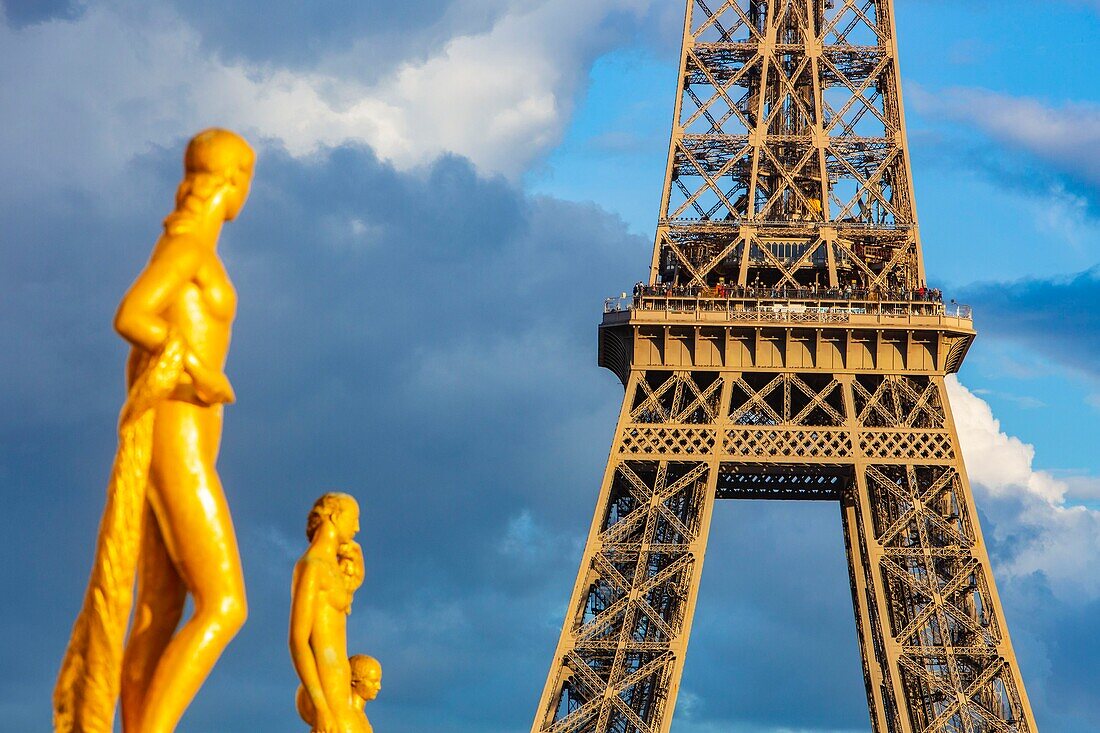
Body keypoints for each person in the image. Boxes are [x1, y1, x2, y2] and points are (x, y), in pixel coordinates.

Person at [55, 129, 255, 733]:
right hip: (179, 434)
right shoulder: (191, 247)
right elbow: (133, 314)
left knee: (160, 607)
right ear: (234, 179)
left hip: (184, 434)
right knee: (225, 603)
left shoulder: (194, 246)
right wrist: (200, 374)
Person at [290, 493, 370, 733]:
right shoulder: (312, 566)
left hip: (339, 690)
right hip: (326, 691)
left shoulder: (330, 568)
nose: (357, 527)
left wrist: (356, 564)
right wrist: (321, 707)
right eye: (353, 518)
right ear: (335, 516)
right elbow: (298, 640)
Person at [297, 655, 382, 733]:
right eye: (373, 681)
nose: (379, 687)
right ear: (354, 680)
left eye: (378, 681)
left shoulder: (361, 717)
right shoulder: (338, 715)